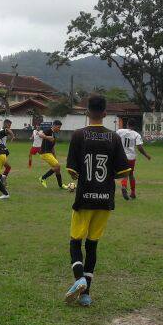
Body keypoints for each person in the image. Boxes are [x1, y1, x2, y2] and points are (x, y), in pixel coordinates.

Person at [63, 96, 131, 306]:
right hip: (104, 199)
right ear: (104, 113)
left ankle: (80, 280)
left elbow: (73, 171)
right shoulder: (114, 138)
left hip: (84, 198)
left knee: (76, 241)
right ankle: (85, 295)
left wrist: (80, 175)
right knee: (92, 245)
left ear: (86, 112)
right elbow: (123, 172)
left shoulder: (78, 135)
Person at [116, 119, 152, 200]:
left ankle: (124, 186)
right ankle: (132, 193)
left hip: (121, 156)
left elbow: (114, 139)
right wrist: (146, 155)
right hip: (131, 157)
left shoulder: (120, 131)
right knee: (131, 174)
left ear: (127, 124)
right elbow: (139, 147)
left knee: (124, 173)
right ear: (134, 126)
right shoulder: (136, 134)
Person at [38, 120, 66, 190]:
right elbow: (40, 134)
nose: (59, 129)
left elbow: (52, 146)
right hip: (45, 153)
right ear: (54, 126)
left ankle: (60, 185)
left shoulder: (54, 134)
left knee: (57, 169)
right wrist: (47, 137)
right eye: (58, 127)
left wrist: (54, 155)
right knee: (57, 166)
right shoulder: (48, 131)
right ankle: (43, 178)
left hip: (49, 153)